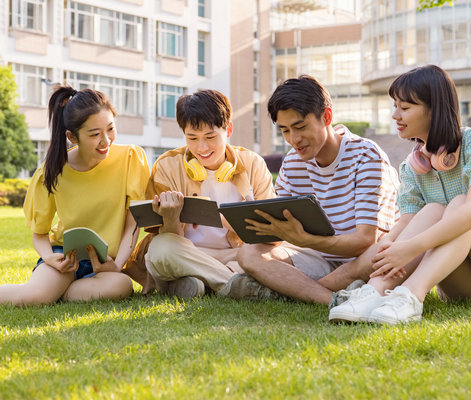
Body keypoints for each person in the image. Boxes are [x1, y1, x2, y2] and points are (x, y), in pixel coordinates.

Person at [328, 65, 471, 324]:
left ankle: (411, 297)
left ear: (433, 109)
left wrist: (410, 248)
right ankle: (374, 292)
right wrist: (389, 249)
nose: (395, 115)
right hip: (463, 286)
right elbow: (406, 224)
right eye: (395, 107)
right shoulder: (411, 167)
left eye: (405, 107)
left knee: (461, 204)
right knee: (432, 211)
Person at [223, 75, 400, 304]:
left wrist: (305, 240)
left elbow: (365, 241)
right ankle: (332, 299)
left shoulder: (366, 156)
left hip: (361, 260)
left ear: (326, 117)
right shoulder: (293, 162)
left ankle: (291, 290)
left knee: (378, 253)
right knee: (248, 253)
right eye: (285, 130)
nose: (294, 139)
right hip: (316, 258)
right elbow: (280, 237)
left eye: (300, 127)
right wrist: (263, 223)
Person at [0, 86, 149, 306]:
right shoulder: (51, 172)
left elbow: (132, 225)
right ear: (72, 136)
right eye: (95, 134)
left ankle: (60, 292)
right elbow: (39, 234)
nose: (106, 140)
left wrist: (117, 266)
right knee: (35, 297)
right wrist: (50, 258)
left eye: (110, 129)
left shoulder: (130, 158)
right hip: (65, 257)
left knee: (122, 286)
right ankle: (52, 288)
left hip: (105, 264)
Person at [124, 89, 275, 298]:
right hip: (185, 253)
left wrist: (228, 217)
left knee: (267, 254)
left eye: (210, 137)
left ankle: (189, 283)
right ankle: (234, 284)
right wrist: (171, 218)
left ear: (228, 129)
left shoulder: (252, 163)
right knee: (160, 248)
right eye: (192, 138)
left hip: (234, 253)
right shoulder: (167, 166)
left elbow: (271, 235)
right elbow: (170, 240)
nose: (201, 147)